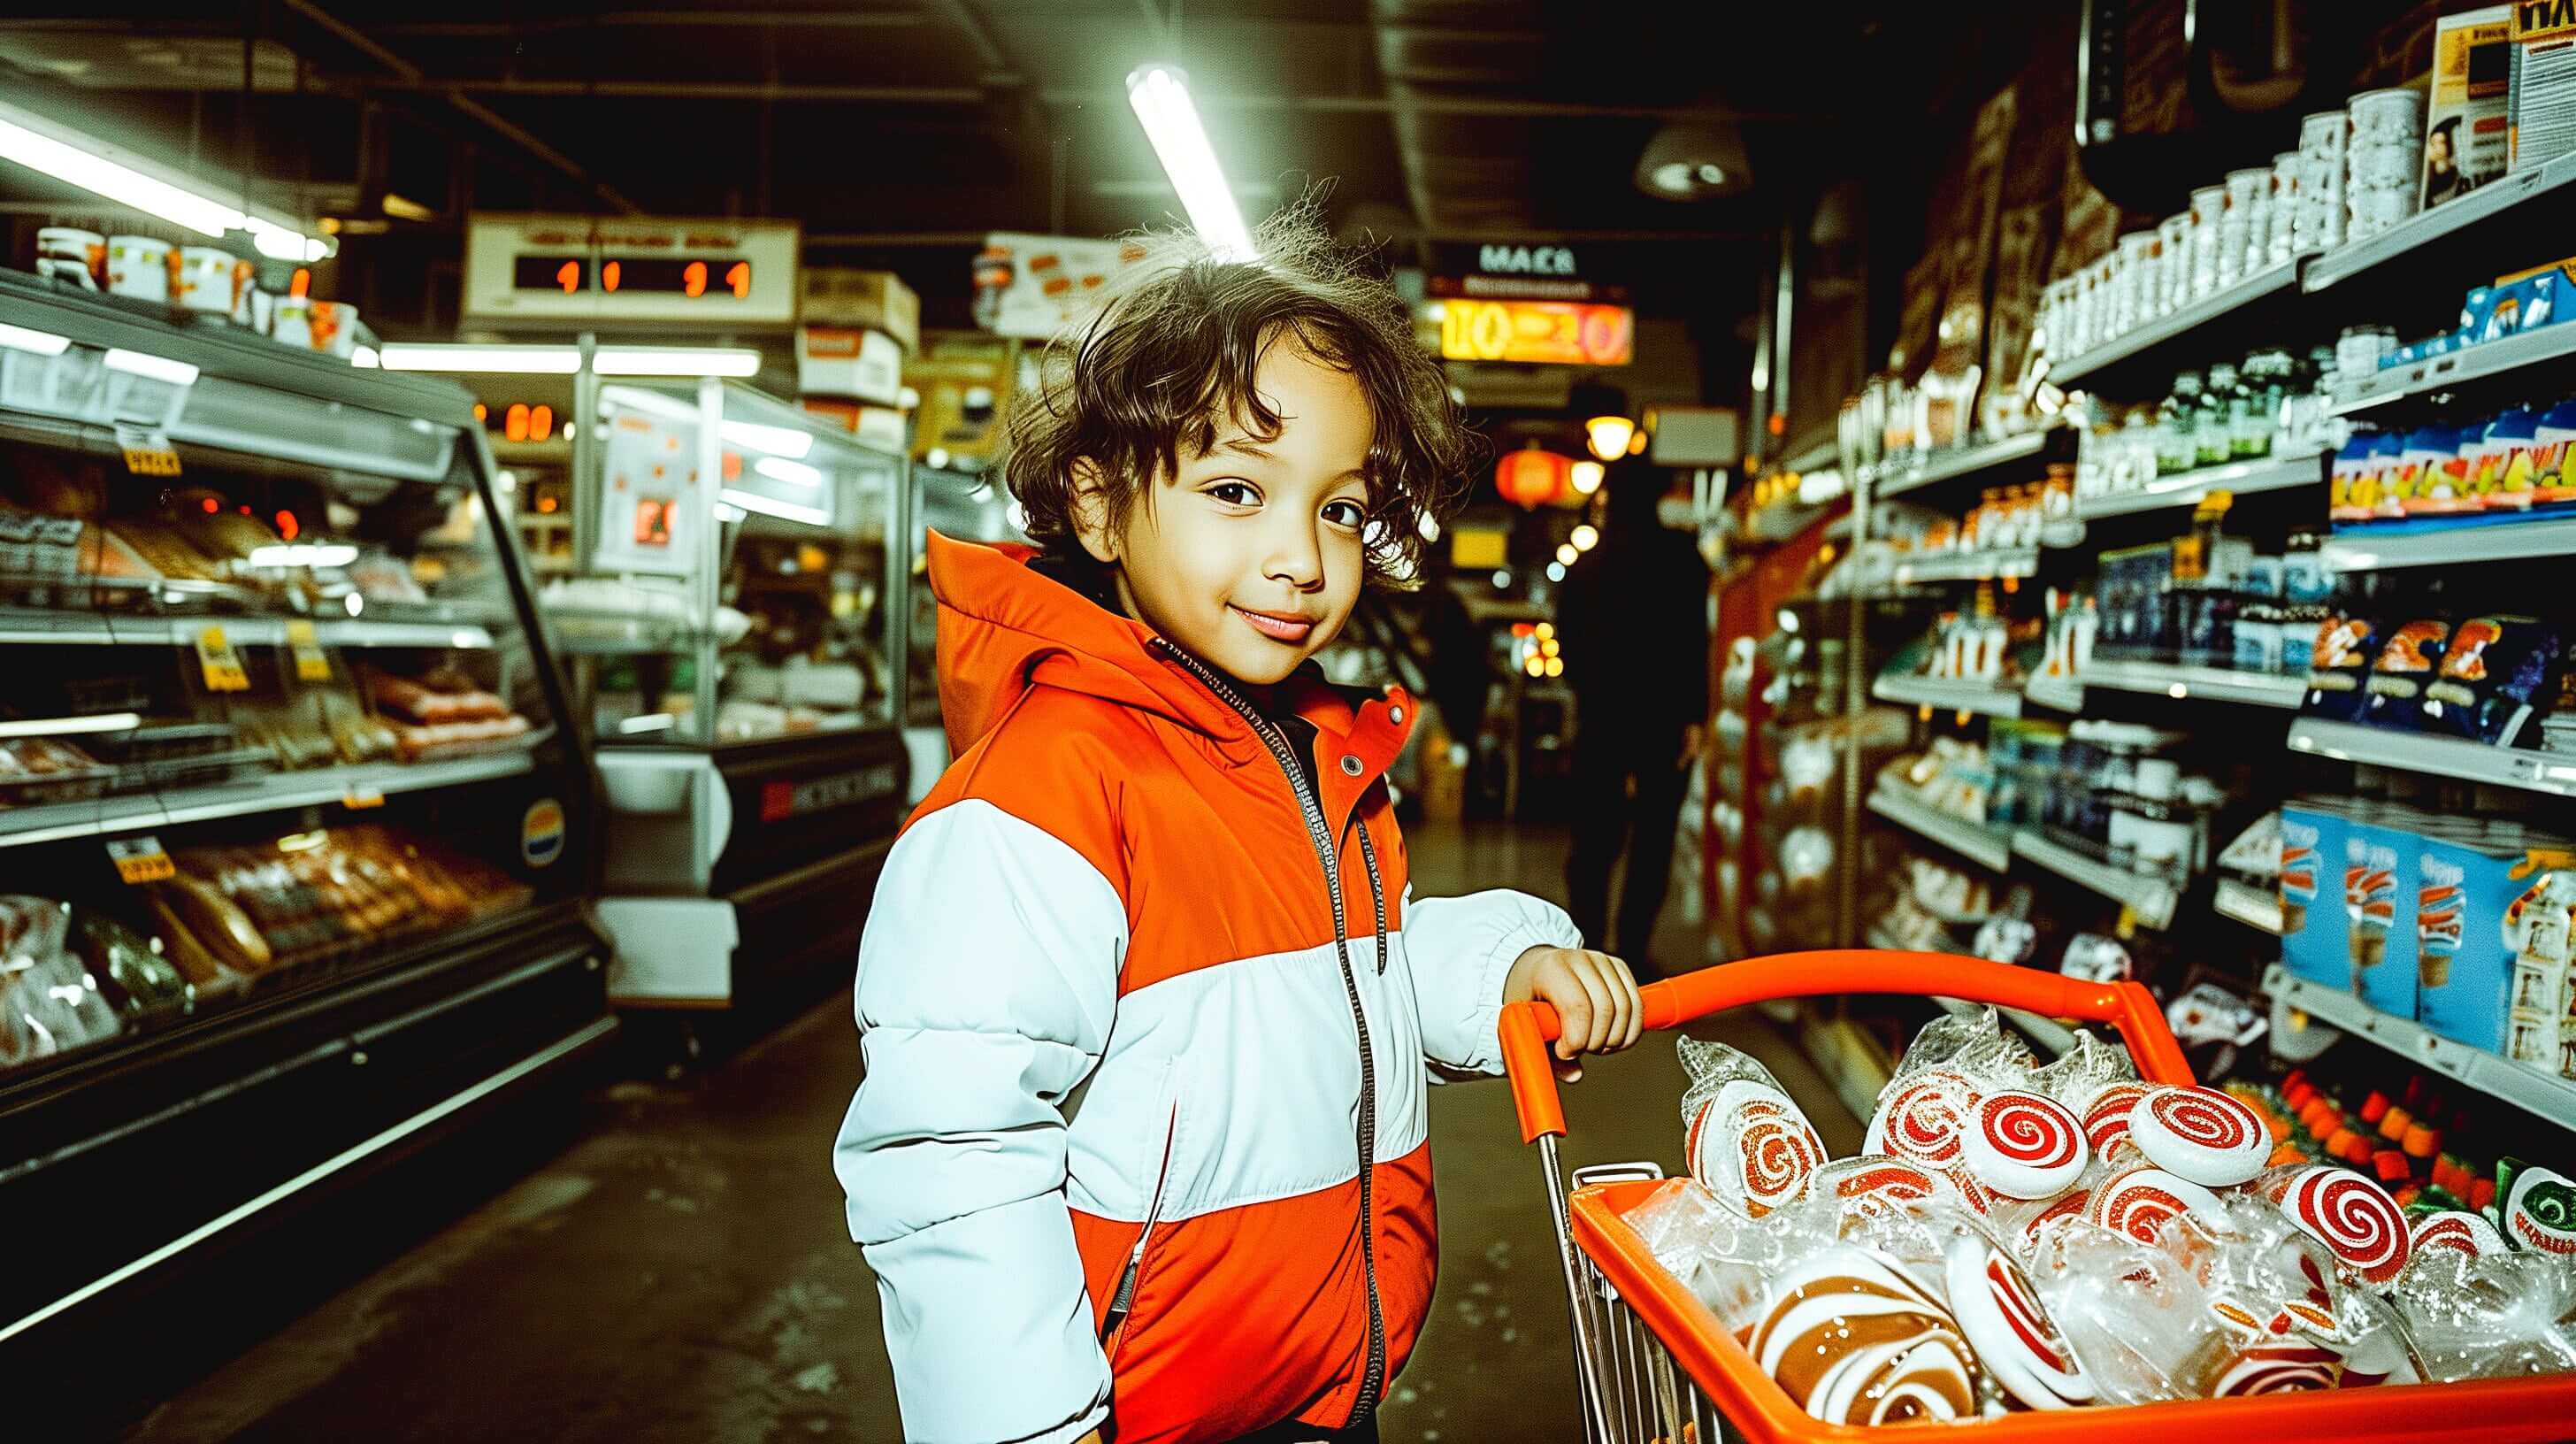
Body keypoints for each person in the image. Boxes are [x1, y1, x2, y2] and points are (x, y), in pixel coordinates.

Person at [832, 212, 1644, 1444]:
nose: (1301, 557)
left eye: (1340, 511)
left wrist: (1505, 971)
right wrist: (1028, 1427)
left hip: (1320, 1396)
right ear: (1100, 510)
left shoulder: (1303, 751)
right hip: (1129, 1418)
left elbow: (1327, 975)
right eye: (1234, 492)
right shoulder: (1042, 798)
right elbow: (950, 1146)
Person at [1552, 454, 1713, 977]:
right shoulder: (1683, 559)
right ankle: (1633, 951)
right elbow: (1694, 643)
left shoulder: (1586, 568)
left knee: (1593, 840)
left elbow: (1567, 648)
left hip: (1601, 717)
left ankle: (1588, 946)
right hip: (1662, 721)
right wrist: (1695, 715)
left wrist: (1588, 692)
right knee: (1653, 837)